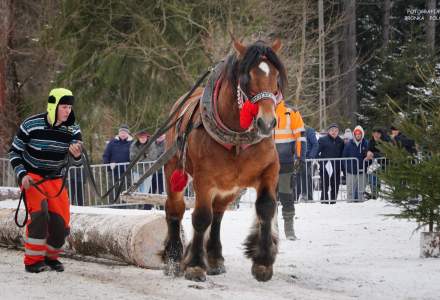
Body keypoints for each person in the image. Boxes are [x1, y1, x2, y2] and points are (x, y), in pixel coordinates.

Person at [8, 88, 82, 273]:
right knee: (39, 216)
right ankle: (32, 261)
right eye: (64, 107)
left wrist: (77, 155)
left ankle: (50, 258)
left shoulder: (72, 128)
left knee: (61, 224)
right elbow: (14, 152)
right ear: (53, 106)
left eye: (70, 107)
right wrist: (22, 174)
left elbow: (78, 160)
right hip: (32, 177)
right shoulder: (31, 124)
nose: (68, 111)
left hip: (56, 178)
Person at [273, 99, 305, 240]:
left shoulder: (291, 112)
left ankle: (289, 228)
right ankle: (272, 230)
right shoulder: (263, 109)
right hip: (267, 164)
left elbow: (300, 137)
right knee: (269, 198)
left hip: (286, 162)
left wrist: (300, 157)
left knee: (286, 195)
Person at [102, 124, 133, 201]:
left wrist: (131, 167)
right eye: (121, 132)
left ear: (128, 134)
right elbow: (106, 155)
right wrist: (108, 166)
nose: (123, 134)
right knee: (112, 189)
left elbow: (135, 155)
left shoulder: (132, 143)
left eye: (125, 132)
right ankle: (113, 205)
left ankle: (124, 206)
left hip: (126, 171)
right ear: (119, 133)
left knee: (125, 189)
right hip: (113, 171)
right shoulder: (112, 142)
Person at [317, 123, 344, 204]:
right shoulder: (322, 140)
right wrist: (320, 162)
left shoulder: (340, 141)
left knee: (335, 185)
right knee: (325, 185)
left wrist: (341, 166)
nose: (334, 132)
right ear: (328, 131)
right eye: (332, 130)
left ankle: (333, 201)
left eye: (336, 131)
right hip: (325, 167)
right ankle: (324, 201)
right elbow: (317, 152)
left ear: (338, 132)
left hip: (336, 167)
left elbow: (342, 155)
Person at [342, 126, 368, 202]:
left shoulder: (366, 143)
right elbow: (344, 157)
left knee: (361, 190)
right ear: (354, 134)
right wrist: (347, 167)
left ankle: (361, 203)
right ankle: (350, 203)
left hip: (362, 171)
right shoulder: (349, 144)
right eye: (356, 134)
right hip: (351, 171)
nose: (358, 135)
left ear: (362, 134)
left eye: (359, 134)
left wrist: (366, 165)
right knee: (350, 189)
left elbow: (369, 156)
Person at [296, 126, 318, 201]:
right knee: (296, 177)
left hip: (306, 158)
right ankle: (295, 197)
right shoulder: (293, 130)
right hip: (296, 158)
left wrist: (310, 157)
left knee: (307, 176)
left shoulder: (309, 130)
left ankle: (308, 197)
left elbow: (315, 144)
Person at [365, 127, 387, 199]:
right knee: (371, 173)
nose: (376, 135)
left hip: (385, 164)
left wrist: (373, 154)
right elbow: (367, 150)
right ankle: (374, 192)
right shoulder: (370, 141)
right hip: (375, 164)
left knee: (375, 174)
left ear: (381, 134)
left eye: (378, 133)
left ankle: (376, 192)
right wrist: (368, 153)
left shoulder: (385, 141)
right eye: (374, 133)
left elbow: (385, 153)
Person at [129, 129, 152, 193]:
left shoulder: (151, 144)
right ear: (138, 138)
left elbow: (152, 156)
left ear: (147, 137)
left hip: (148, 170)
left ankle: (143, 202)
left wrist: (141, 160)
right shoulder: (133, 145)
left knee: (146, 189)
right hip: (137, 170)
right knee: (137, 188)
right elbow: (132, 157)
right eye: (141, 137)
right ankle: (139, 203)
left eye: (144, 137)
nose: (143, 139)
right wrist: (145, 156)